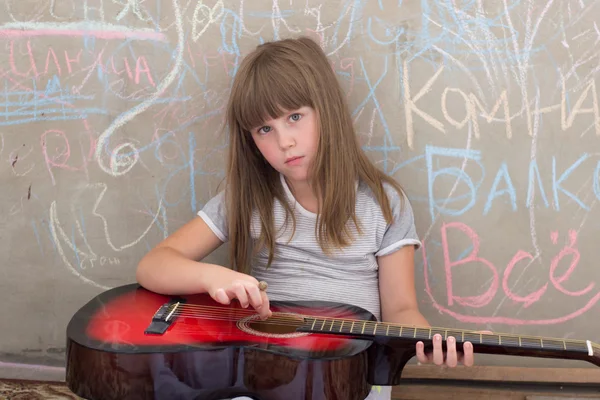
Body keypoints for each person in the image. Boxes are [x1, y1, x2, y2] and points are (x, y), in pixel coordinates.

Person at [136, 36, 478, 400]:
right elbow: (153, 265)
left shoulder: (384, 202)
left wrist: (428, 341)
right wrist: (212, 276)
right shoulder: (249, 197)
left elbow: (400, 308)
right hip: (266, 371)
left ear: (325, 110)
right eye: (265, 129)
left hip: (349, 375)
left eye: (294, 117)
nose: (285, 141)